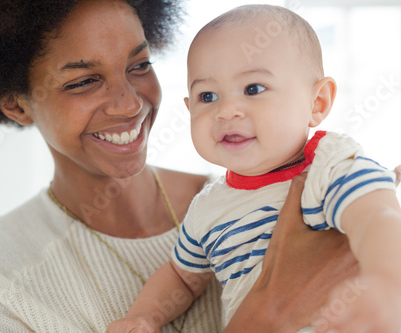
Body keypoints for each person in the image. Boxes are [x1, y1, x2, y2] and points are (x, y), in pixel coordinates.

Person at [106, 4, 401, 333]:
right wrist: (146, 316)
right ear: (188, 109)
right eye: (207, 96)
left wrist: (386, 283)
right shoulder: (208, 207)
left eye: (254, 89)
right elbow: (182, 276)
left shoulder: (328, 163)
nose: (227, 110)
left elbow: (377, 218)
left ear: (316, 103)